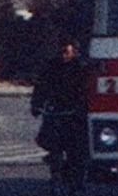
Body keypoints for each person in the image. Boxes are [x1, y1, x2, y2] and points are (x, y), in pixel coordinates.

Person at [29, 39, 91, 182]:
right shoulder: (51, 66)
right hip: (56, 109)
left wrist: (84, 106)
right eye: (61, 52)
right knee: (51, 139)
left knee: (76, 148)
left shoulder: (81, 67)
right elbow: (41, 86)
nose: (63, 56)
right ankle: (54, 166)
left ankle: (77, 178)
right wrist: (36, 105)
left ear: (74, 52)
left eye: (66, 52)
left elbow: (87, 89)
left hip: (75, 111)